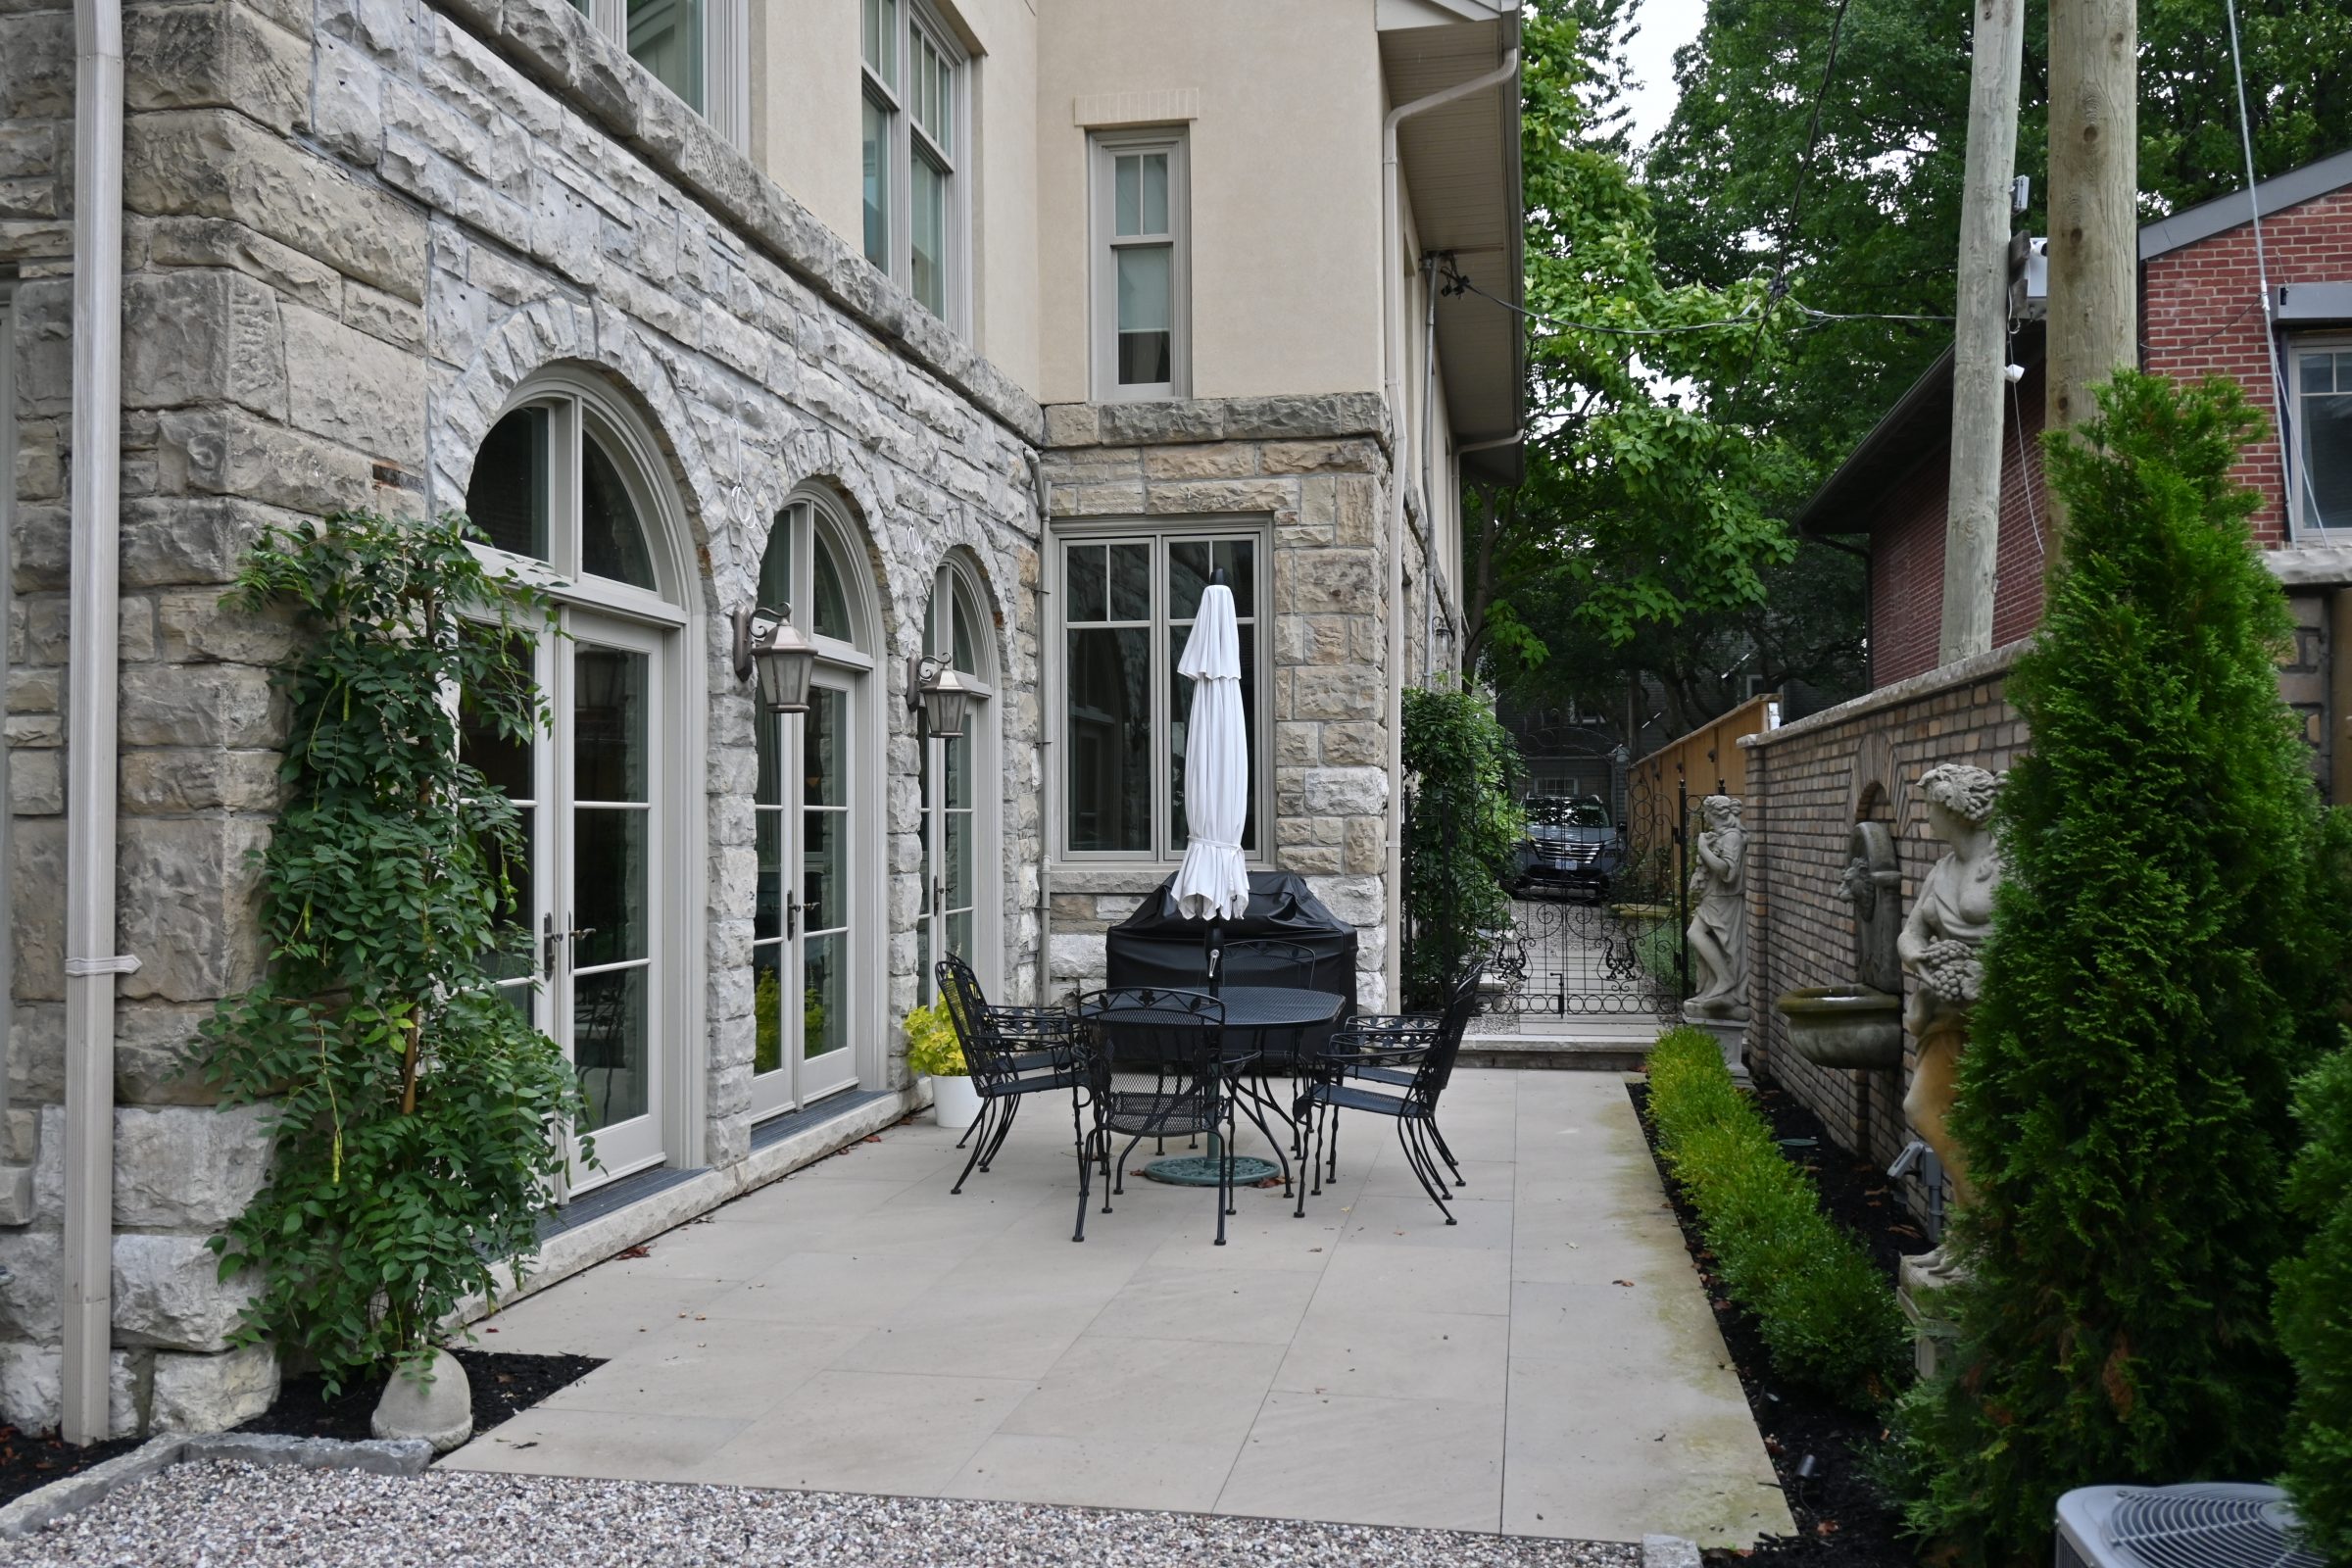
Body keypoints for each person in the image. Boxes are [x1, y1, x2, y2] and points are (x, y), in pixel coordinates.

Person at [1897, 763, 2002, 1250]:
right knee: (1925, 1107)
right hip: (1944, 1007)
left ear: (1955, 811)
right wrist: (1919, 955)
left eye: (1932, 809)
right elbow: (1911, 932)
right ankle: (1972, 1234)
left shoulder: (2007, 863)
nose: (1928, 820)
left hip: (1995, 1015)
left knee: (1984, 1126)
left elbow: (2025, 934)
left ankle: (1980, 1241)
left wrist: (1983, 970)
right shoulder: (1942, 870)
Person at [1685, 795, 1749, 1019]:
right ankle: (1717, 984)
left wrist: (1703, 848)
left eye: (1707, 812)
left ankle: (1726, 980)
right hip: (1714, 896)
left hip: (1725, 899)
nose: (1705, 816)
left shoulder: (1732, 837)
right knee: (1695, 933)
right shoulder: (1722, 835)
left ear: (1715, 813)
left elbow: (1726, 871)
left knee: (1701, 934)